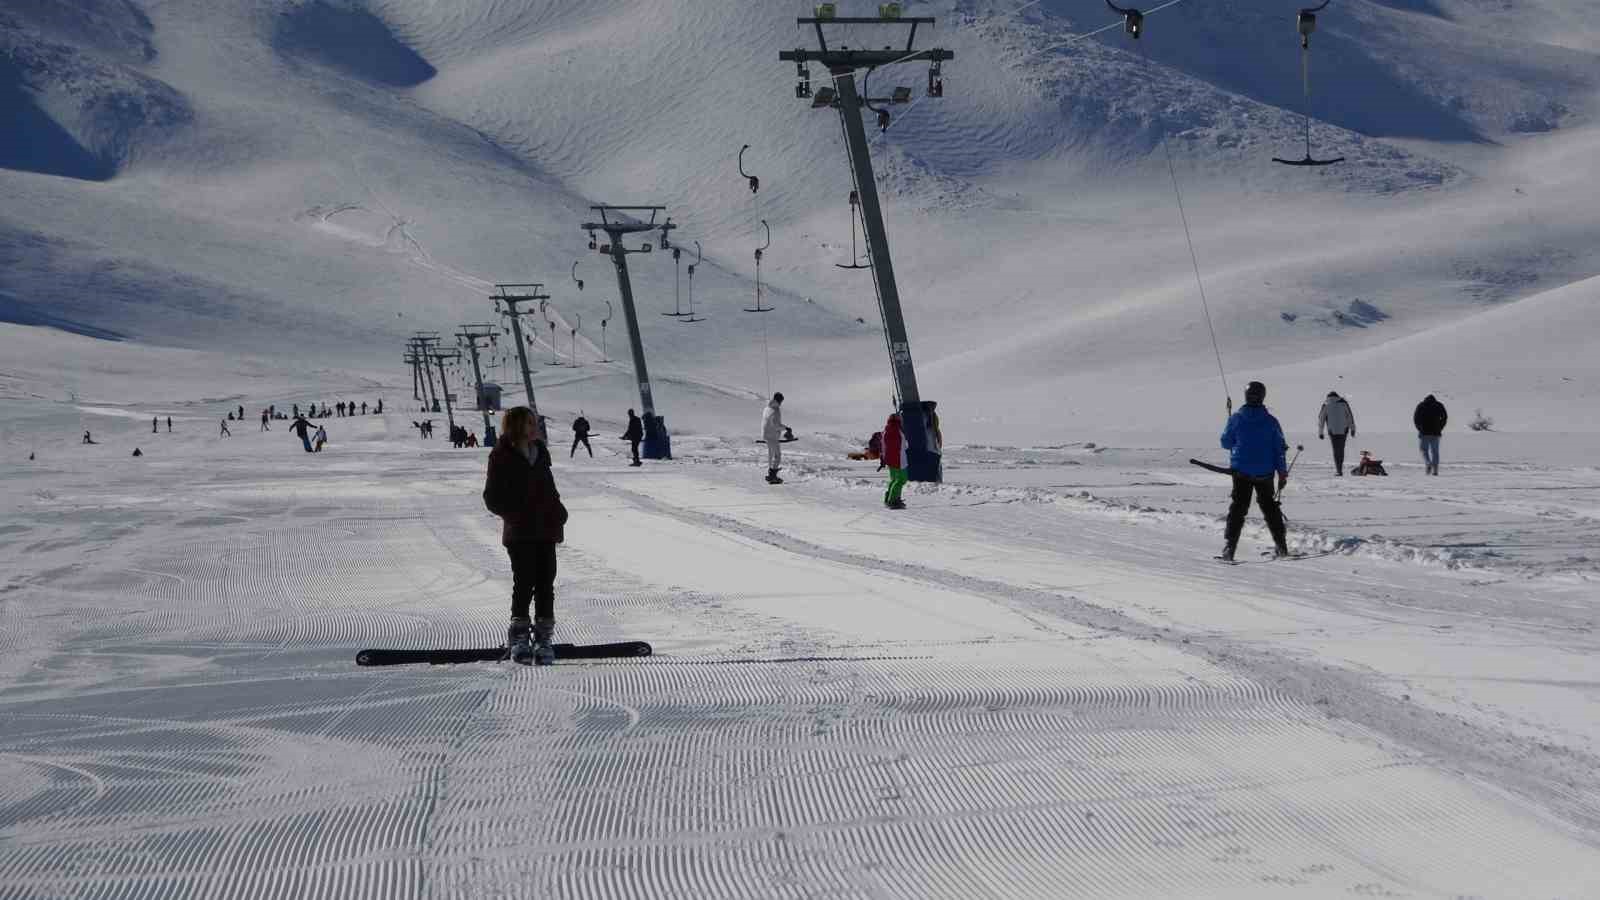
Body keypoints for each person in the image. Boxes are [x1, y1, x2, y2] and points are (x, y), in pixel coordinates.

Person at [482, 405, 568, 666]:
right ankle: (519, 637)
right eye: (529, 424)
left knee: (546, 584)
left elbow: (549, 489)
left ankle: (543, 638)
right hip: (520, 532)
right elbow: (492, 497)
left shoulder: (540, 453)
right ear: (517, 426)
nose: (535, 428)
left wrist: (558, 512)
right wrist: (516, 515)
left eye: (535, 423)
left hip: (546, 529)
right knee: (524, 582)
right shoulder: (501, 455)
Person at [1219, 381, 1290, 561]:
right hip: (1265, 473)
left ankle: (1229, 548)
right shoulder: (1271, 421)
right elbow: (1279, 450)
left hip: (1241, 472)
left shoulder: (1236, 418)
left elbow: (1226, 443)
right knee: (1270, 509)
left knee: (1238, 509)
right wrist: (1282, 473)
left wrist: (1230, 422)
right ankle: (1282, 547)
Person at [1317, 391, 1357, 476]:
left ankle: (1338, 470)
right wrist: (1352, 429)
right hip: (1343, 430)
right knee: (1341, 449)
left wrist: (1320, 432)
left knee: (1336, 450)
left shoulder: (1326, 404)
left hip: (1332, 431)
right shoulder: (1344, 403)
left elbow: (1321, 419)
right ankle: (1340, 468)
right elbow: (1350, 416)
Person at [1414, 394, 1448, 475]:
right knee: (1435, 452)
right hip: (1436, 432)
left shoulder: (1421, 405)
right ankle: (1435, 470)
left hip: (1424, 433)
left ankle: (1428, 463)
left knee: (1423, 450)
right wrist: (1440, 427)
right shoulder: (1439, 405)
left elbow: (1416, 418)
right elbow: (1444, 417)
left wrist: (1419, 428)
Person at [882, 411, 908, 509]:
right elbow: (904, 445)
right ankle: (892, 500)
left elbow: (884, 446)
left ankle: (890, 498)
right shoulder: (898, 431)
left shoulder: (886, 431)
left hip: (890, 460)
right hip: (899, 460)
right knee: (901, 480)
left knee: (894, 480)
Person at [762, 392, 785, 485]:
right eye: (781, 401)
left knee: (772, 455)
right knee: (777, 456)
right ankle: (772, 476)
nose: (781, 403)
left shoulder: (767, 407)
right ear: (778, 400)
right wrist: (785, 428)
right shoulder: (775, 410)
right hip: (772, 436)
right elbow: (776, 425)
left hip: (767, 434)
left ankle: (772, 474)